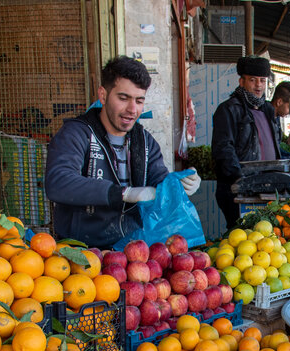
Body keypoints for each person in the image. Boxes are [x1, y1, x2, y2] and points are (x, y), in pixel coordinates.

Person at [44, 56, 199, 248]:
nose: (132, 109)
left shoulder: (145, 141)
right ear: (103, 95)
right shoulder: (77, 133)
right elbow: (58, 182)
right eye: (123, 98)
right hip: (82, 254)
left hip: (133, 253)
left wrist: (179, 183)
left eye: (139, 100)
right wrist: (123, 193)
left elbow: (158, 183)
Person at [211, 56, 282, 228]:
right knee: (241, 237)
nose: (258, 85)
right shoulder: (228, 109)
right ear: (241, 81)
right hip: (238, 191)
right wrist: (241, 179)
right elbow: (223, 149)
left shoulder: (268, 110)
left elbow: (275, 145)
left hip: (266, 189)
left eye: (262, 81)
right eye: (253, 80)